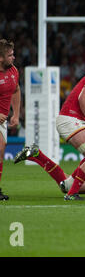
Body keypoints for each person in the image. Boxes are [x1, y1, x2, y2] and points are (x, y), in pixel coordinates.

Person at [15, 56, 85, 200]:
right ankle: (72, 193)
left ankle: (39, 157)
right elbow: (83, 99)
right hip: (70, 120)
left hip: (73, 121)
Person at [0, 39, 21, 200]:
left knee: (1, 151)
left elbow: (16, 90)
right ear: (1, 58)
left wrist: (15, 114)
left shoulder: (13, 71)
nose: (13, 58)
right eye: (10, 55)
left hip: (3, 121)